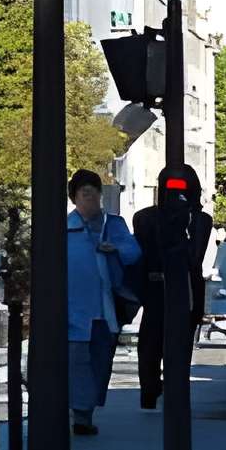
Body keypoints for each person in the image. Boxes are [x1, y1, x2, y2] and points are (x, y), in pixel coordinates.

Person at [130, 165, 215, 410]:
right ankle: (150, 391)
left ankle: (174, 389)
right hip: (157, 286)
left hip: (185, 287)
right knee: (150, 344)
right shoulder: (146, 218)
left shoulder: (199, 220)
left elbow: (193, 257)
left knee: (179, 344)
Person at [64, 169, 142, 435]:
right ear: (74, 198)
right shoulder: (64, 229)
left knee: (100, 363)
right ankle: (81, 415)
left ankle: (85, 410)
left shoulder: (114, 225)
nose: (91, 199)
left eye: (95, 193)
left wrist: (115, 248)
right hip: (73, 310)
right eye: (85, 194)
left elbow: (133, 253)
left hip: (106, 309)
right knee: (77, 362)